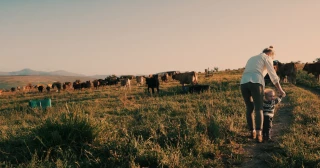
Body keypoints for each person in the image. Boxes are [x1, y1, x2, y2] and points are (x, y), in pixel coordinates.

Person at [240, 46, 286, 143]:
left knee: (249, 108)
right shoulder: (267, 57)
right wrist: (280, 90)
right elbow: (273, 75)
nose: (272, 60)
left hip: (243, 82)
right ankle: (259, 134)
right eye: (273, 57)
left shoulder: (252, 58)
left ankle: (252, 132)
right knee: (259, 108)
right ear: (270, 54)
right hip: (256, 81)